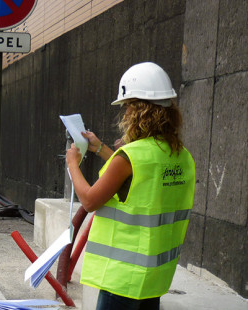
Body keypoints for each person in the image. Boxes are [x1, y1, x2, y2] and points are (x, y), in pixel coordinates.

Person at [65, 62, 196, 310]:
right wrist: (102, 148)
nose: (124, 114)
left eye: (126, 108)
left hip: (122, 278)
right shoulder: (179, 155)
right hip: (153, 277)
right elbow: (140, 177)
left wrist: (73, 164)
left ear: (138, 111)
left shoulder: (129, 156)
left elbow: (90, 201)